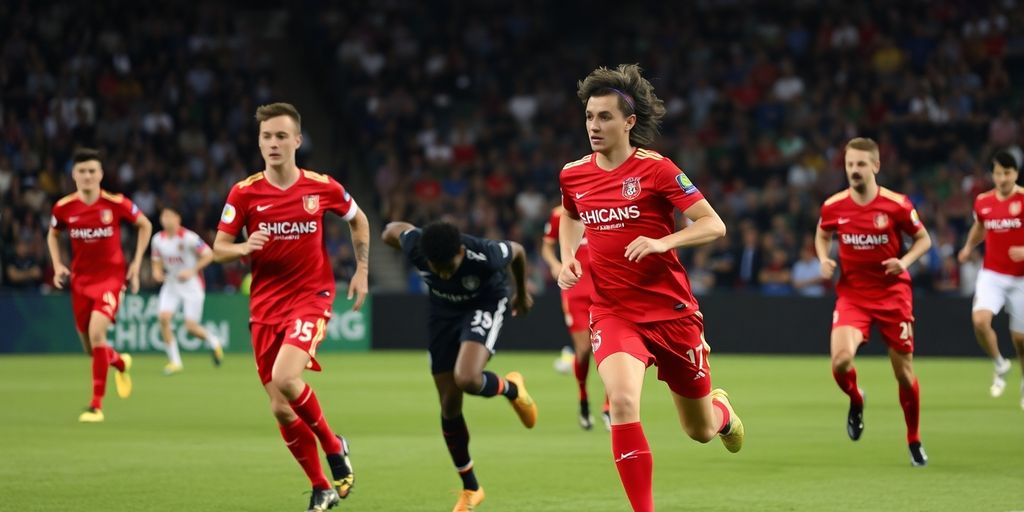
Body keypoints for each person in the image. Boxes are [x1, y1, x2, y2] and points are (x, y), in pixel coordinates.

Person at [557, 64, 744, 512]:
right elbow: (569, 215)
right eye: (589, 117)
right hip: (614, 311)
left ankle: (722, 413)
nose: (594, 126)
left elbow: (713, 224)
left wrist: (665, 240)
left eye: (604, 117)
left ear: (629, 122)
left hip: (672, 313)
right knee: (621, 401)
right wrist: (568, 257)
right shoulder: (574, 175)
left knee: (698, 430)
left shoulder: (658, 170)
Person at [212, 103, 367, 512]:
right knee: (281, 409)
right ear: (259, 142)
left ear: (297, 140)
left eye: (282, 136)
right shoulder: (244, 193)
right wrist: (244, 246)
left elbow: (358, 219)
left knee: (285, 376)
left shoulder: (322, 187)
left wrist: (362, 270)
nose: (274, 143)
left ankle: (334, 448)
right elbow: (219, 249)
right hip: (264, 306)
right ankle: (321, 486)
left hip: (311, 296)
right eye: (267, 137)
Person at [382, 219, 536, 512]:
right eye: (435, 268)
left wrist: (522, 292)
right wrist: (412, 232)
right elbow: (390, 230)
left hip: (485, 304)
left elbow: (517, 251)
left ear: (461, 253)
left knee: (466, 378)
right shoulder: (418, 245)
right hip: (442, 313)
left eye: (448, 268)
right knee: (449, 405)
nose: (442, 273)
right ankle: (471, 488)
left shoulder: (485, 254)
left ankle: (511, 388)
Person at [816, 137, 932, 466]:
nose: (854, 170)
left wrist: (904, 262)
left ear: (876, 166)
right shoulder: (834, 206)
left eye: (861, 164)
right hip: (853, 295)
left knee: (905, 375)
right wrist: (824, 258)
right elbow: (822, 233)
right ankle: (856, 398)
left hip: (893, 294)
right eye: (850, 164)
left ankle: (914, 439)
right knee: (839, 362)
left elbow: (924, 239)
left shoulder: (897, 204)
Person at [47, 147, 152, 422]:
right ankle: (119, 361)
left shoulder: (115, 203)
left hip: (110, 279)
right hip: (80, 281)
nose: (88, 176)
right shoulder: (63, 207)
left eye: (92, 171)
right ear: (74, 174)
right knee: (89, 347)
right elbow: (52, 234)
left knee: (97, 335)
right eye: (82, 171)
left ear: (101, 174)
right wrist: (58, 264)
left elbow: (145, 224)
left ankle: (96, 406)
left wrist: (136, 264)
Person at [957, 150, 1024, 408]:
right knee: (980, 321)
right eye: (998, 173)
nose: (1002, 178)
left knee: (1020, 340)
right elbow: (980, 227)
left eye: (1007, 173)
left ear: (1015, 174)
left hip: (1021, 279)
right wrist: (967, 247)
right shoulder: (983, 202)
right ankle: (1000, 364)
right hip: (992, 274)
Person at [541, 204, 610, 430]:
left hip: (606, 287)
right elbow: (547, 247)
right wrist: (554, 264)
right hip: (576, 290)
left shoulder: (605, 206)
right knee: (584, 350)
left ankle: (609, 407)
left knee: (611, 348)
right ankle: (583, 399)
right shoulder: (559, 214)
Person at [151, 206, 224, 374]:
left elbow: (208, 254)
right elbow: (156, 261)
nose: (166, 219)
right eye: (164, 216)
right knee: (163, 318)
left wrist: (192, 270)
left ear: (178, 219)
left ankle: (213, 341)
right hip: (171, 284)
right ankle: (175, 362)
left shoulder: (189, 238)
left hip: (192, 285)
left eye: (170, 215)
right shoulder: (157, 239)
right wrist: (156, 273)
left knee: (191, 327)